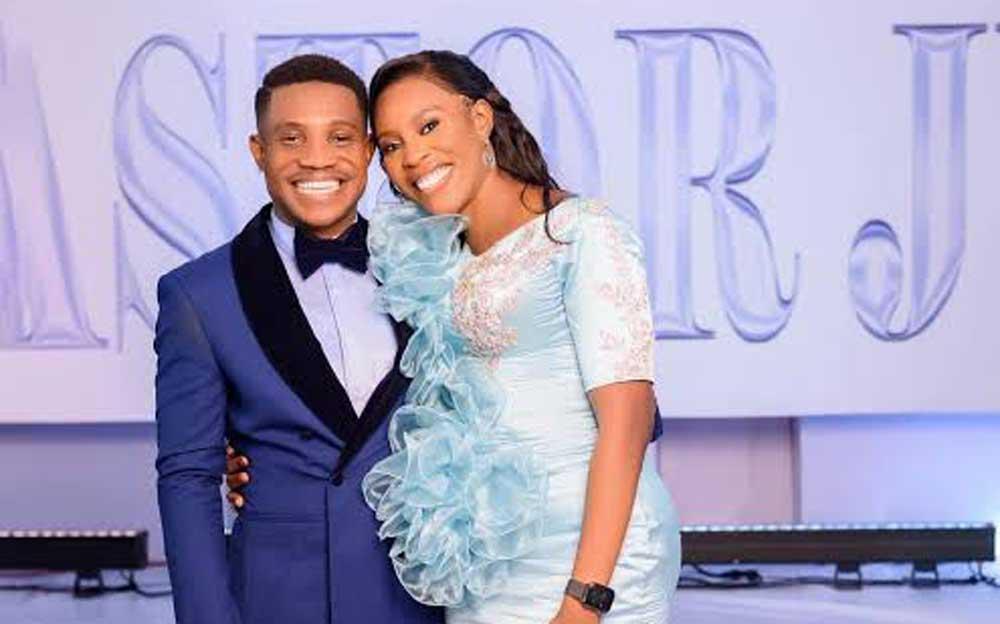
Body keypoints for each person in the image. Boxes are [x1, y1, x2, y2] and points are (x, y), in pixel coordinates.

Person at [233, 49, 682, 622]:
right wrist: (249, 457)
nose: (413, 157)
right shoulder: (424, 255)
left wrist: (585, 597)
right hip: (481, 560)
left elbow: (627, 424)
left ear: (480, 118)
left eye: (429, 126)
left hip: (590, 554)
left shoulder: (584, 234)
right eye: (391, 145)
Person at [154, 53, 443, 624]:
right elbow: (188, 478)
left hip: (420, 600)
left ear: (367, 150)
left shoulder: (434, 264)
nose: (316, 158)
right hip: (280, 601)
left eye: (339, 137)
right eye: (291, 138)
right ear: (258, 151)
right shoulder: (198, 295)